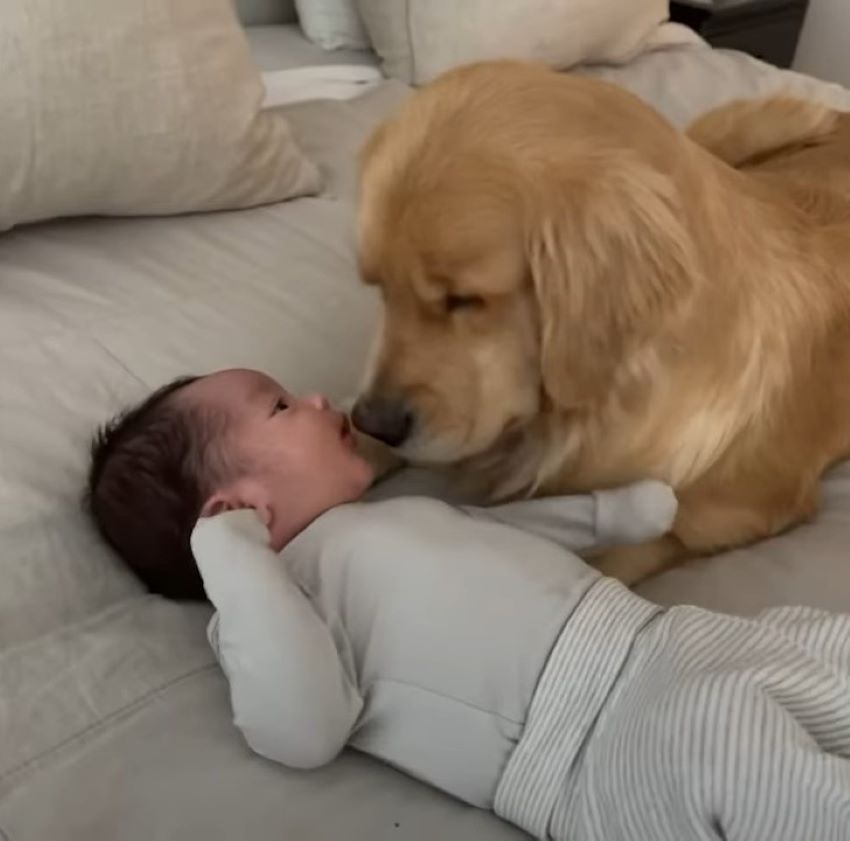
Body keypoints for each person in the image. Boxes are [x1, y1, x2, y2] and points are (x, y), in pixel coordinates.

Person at [88, 368, 850, 841]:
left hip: (653, 639)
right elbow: (301, 726)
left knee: (811, 645)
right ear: (236, 507)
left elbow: (495, 538)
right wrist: (232, 560)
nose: (318, 397)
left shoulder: (386, 520)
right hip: (592, 744)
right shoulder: (267, 610)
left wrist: (605, 516)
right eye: (280, 405)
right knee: (729, 739)